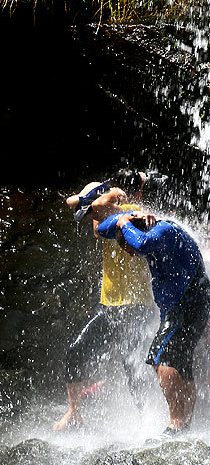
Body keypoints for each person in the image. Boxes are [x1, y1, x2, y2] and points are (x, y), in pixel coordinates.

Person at [53, 173, 160, 430]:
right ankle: (74, 412)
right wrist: (100, 195)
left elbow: (99, 207)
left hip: (138, 306)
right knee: (75, 351)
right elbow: (84, 210)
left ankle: (146, 417)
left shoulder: (135, 213)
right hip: (110, 306)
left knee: (132, 365)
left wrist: (110, 194)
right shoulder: (107, 219)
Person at [96, 210, 210, 432]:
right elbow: (102, 229)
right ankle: (185, 423)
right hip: (186, 306)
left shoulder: (164, 230)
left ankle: (176, 423)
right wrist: (126, 217)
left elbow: (141, 245)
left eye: (125, 245)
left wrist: (124, 225)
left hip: (187, 305)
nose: (128, 252)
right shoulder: (144, 226)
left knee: (162, 358)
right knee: (181, 362)